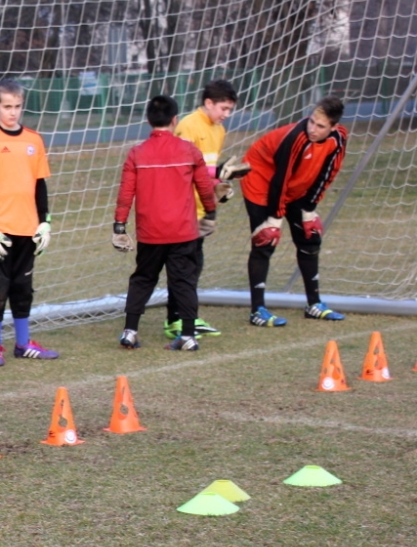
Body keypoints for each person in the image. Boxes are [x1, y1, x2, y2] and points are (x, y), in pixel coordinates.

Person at [112, 95, 218, 351]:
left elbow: (126, 192)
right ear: (175, 120)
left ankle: (130, 331)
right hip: (183, 231)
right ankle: (188, 336)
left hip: (150, 232)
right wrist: (211, 213)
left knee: (143, 279)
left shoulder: (137, 153)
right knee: (184, 281)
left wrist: (119, 225)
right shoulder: (189, 150)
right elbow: (205, 186)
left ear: (148, 120)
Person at [239, 95, 349, 326]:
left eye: (320, 126)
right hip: (260, 180)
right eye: (311, 121)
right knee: (264, 241)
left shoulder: (338, 138)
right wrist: (274, 218)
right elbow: (280, 178)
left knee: (310, 239)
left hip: (295, 186)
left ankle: (314, 304)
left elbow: (328, 174)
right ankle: (257, 310)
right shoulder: (295, 138)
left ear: (333, 127)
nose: (313, 129)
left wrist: (309, 209)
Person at [0, 79, 57, 367]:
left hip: (28, 228)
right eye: (7, 106)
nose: (12, 112)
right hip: (0, 231)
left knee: (23, 287)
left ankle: (23, 343)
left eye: (17, 106)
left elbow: (40, 185)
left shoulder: (34, 140)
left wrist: (45, 222)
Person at [166, 78, 248, 340]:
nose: (226, 115)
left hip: (201, 207)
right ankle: (174, 320)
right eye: (223, 108)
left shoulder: (219, 131)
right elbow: (181, 167)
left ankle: (188, 315)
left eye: (229, 110)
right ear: (208, 103)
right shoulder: (189, 125)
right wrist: (218, 170)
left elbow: (205, 172)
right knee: (182, 266)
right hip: (181, 207)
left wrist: (219, 187)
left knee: (194, 264)